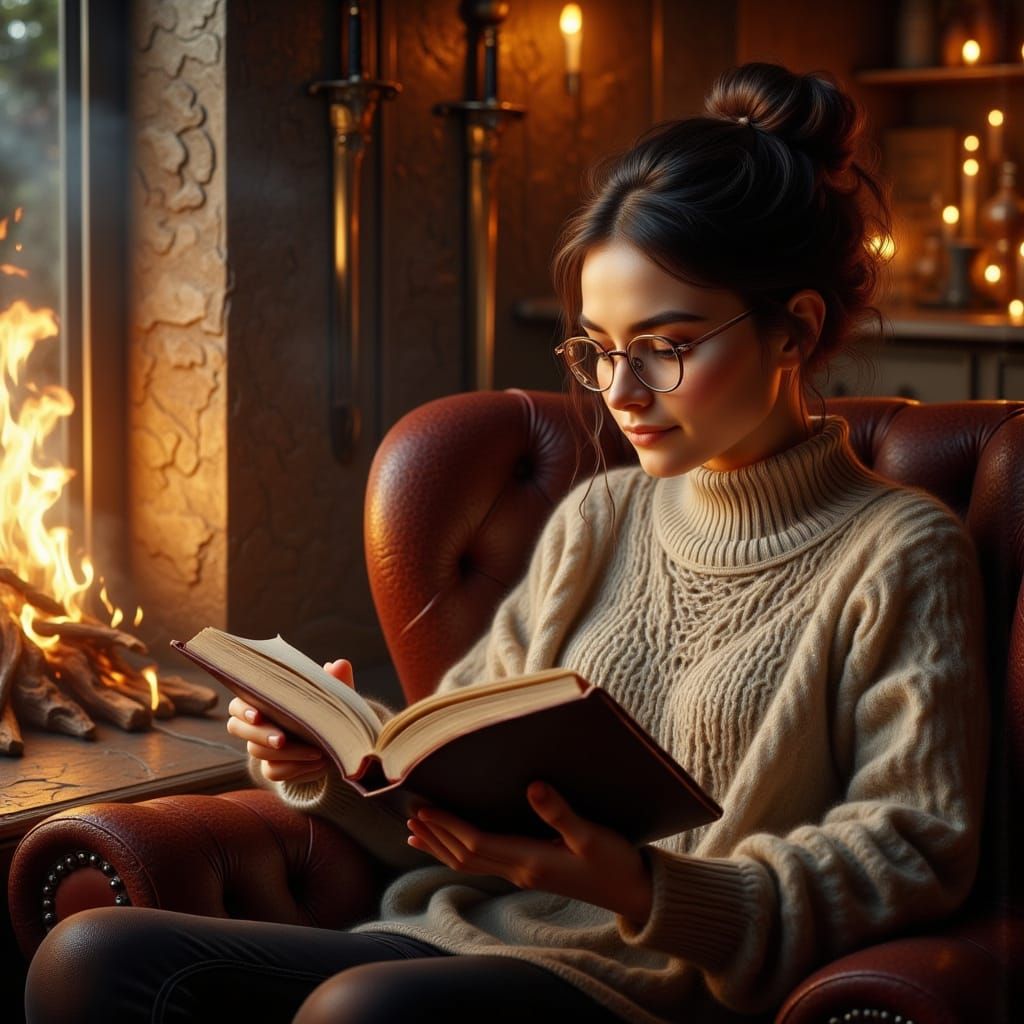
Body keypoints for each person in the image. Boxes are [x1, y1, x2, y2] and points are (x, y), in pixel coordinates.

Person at [25, 61, 988, 1024]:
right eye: (598, 348)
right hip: (453, 940)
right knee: (92, 957)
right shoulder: (599, 520)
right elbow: (461, 794)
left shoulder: (900, 552)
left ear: (795, 331)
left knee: (363, 1013)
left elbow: (914, 846)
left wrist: (646, 887)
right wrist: (332, 757)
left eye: (667, 344)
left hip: (649, 988)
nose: (621, 390)